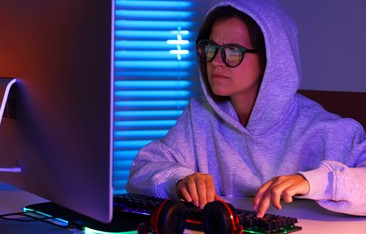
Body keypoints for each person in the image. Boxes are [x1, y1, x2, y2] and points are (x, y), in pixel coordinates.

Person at [126, 0, 366, 218]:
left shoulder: (327, 130)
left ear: (271, 59)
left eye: (233, 51)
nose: (215, 61)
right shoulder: (198, 117)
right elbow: (141, 170)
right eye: (210, 48)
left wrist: (311, 181)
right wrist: (178, 180)